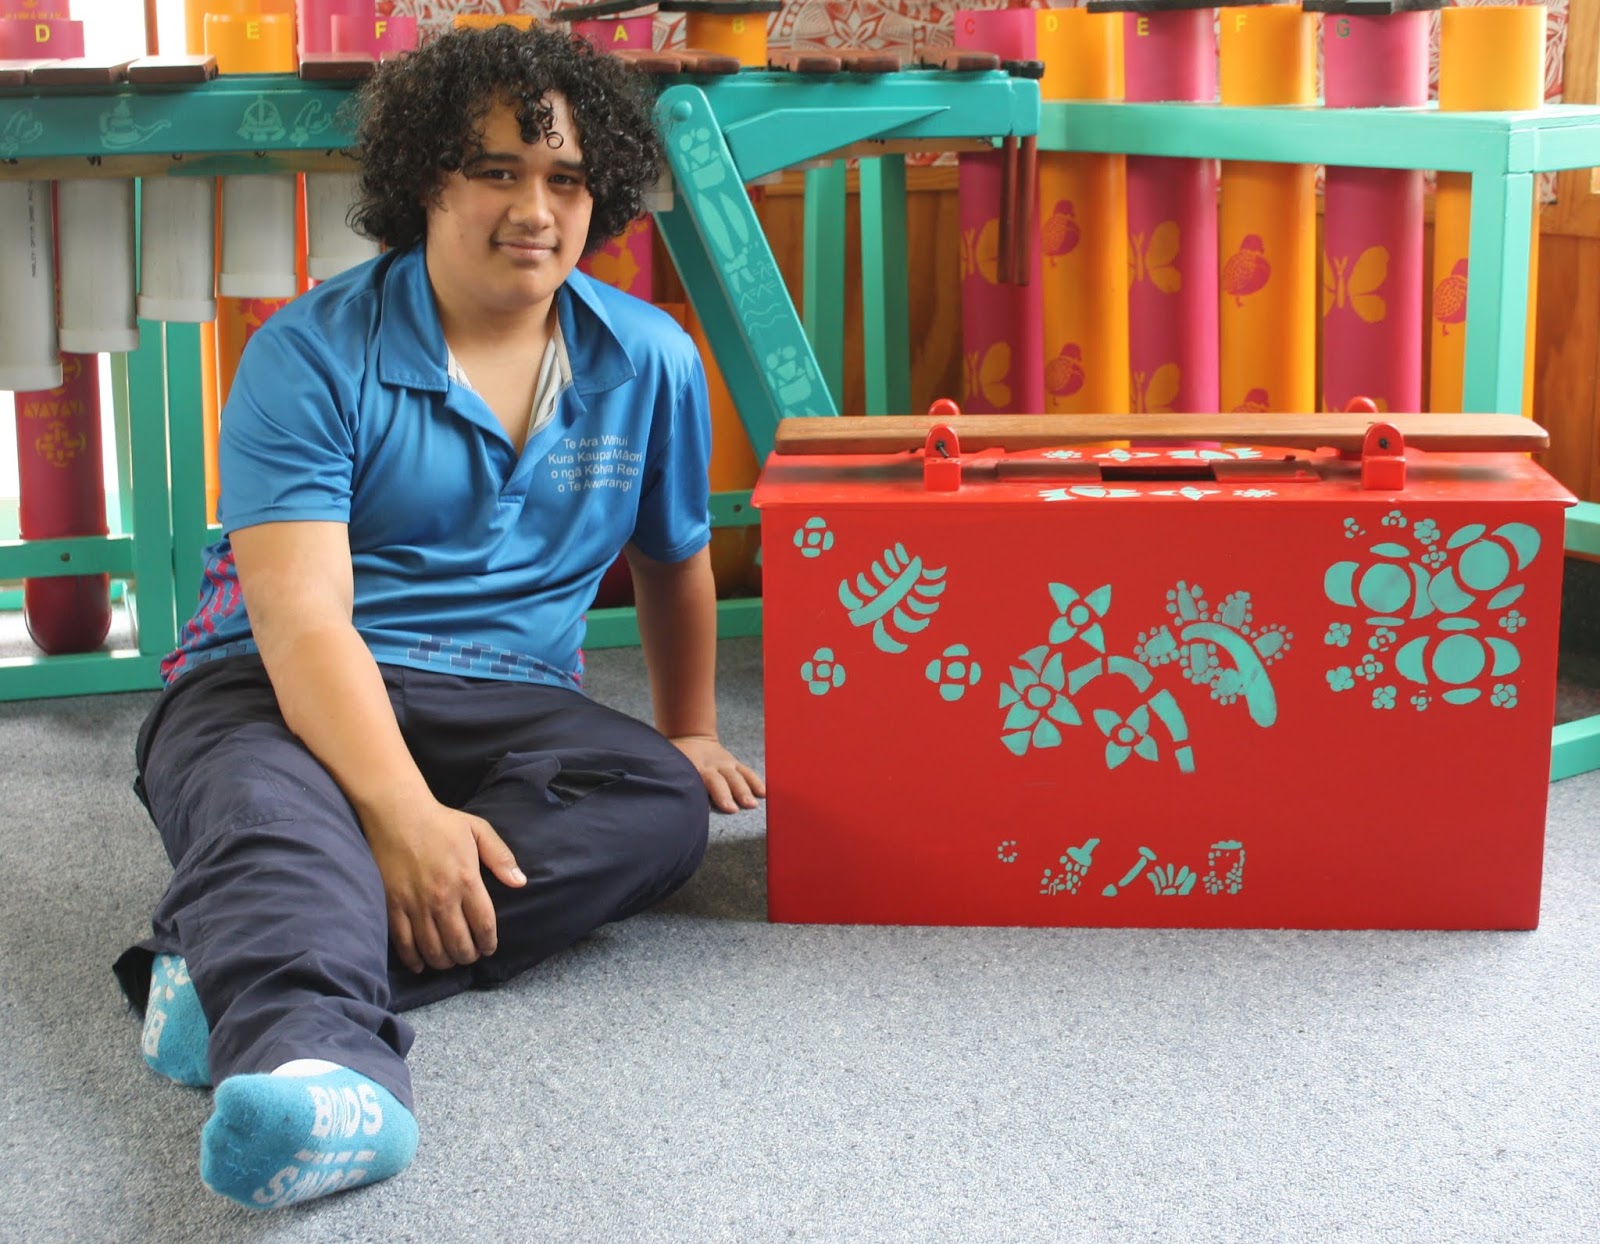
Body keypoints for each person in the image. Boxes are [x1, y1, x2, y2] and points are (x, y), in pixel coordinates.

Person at [113, 23, 763, 1211]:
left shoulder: (651, 356)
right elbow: (304, 621)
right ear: (427, 181)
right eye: (497, 171)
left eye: (566, 179)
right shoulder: (307, 352)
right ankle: (321, 1077)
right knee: (271, 811)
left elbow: (672, 559)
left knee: (659, 806)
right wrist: (405, 814)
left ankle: (230, 967)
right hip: (270, 682)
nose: (536, 210)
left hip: (508, 698)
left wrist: (688, 729)